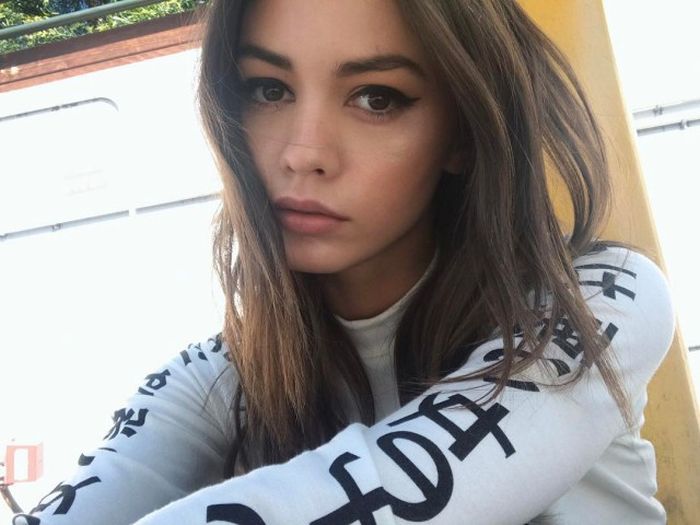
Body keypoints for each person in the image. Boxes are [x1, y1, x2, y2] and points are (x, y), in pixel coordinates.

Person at [12, 0, 674, 524]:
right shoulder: (224, 374)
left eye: (376, 97)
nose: (303, 153)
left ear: (463, 134)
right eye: (268, 89)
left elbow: (406, 484)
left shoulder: (599, 298)